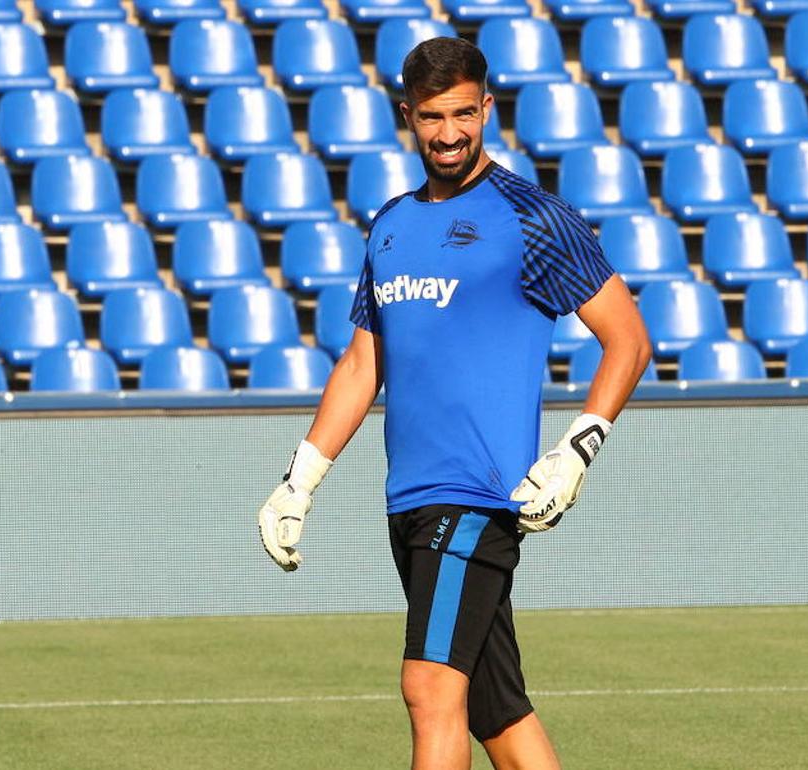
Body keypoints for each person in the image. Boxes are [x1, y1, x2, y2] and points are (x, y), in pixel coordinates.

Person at [257, 37, 651, 770]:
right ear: (407, 114)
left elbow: (627, 339)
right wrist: (298, 482)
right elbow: (362, 361)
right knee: (498, 713)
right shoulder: (391, 225)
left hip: (475, 500)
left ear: (487, 108)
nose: (449, 133)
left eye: (464, 114)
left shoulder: (533, 218)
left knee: (430, 689)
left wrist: (578, 450)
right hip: (406, 501)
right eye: (432, 117)